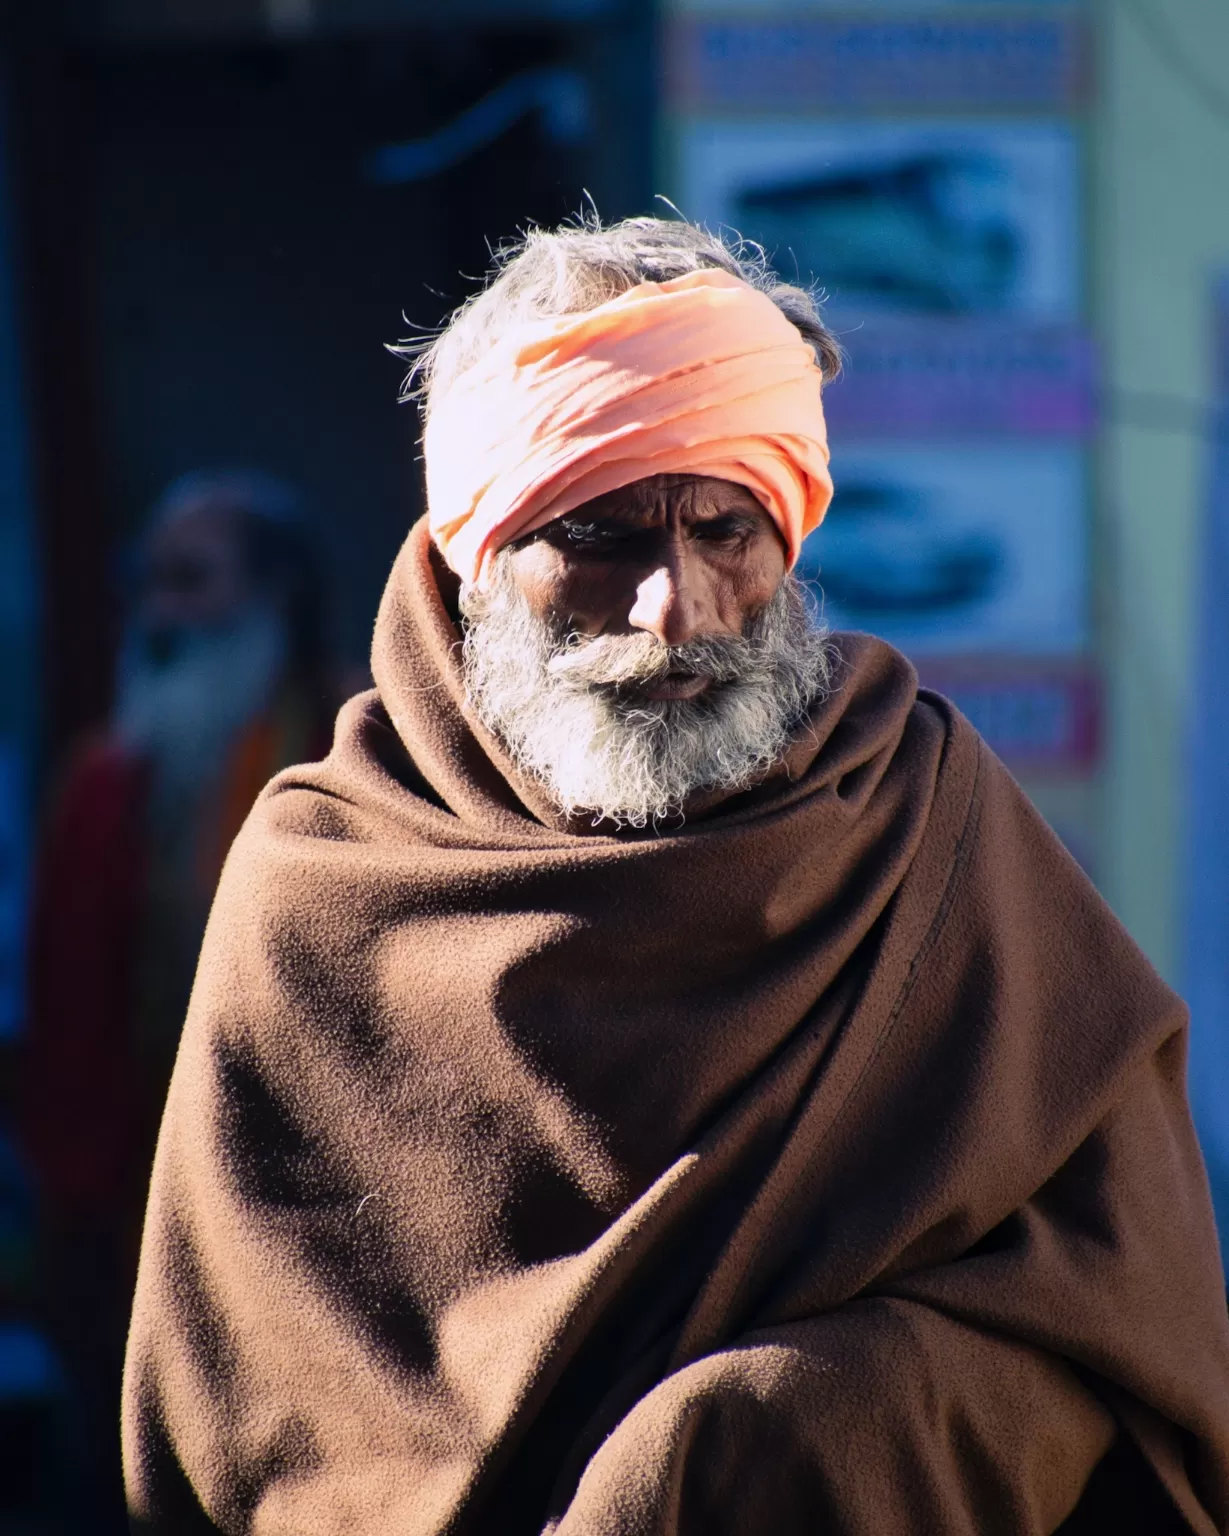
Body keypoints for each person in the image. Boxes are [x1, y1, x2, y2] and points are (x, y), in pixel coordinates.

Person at [122, 220, 1229, 1534]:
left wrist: (793, 1429)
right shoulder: (321, 884)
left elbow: (1121, 1294)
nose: (675, 608)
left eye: (725, 529)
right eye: (598, 538)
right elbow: (242, 1413)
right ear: (478, 561)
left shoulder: (924, 816)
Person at [23, 472, 336, 1530]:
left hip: (320, 1196)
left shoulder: (353, 747)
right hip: (141, 1187)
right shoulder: (107, 780)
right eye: (148, 582)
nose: (160, 612)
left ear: (276, 594)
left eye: (191, 580)